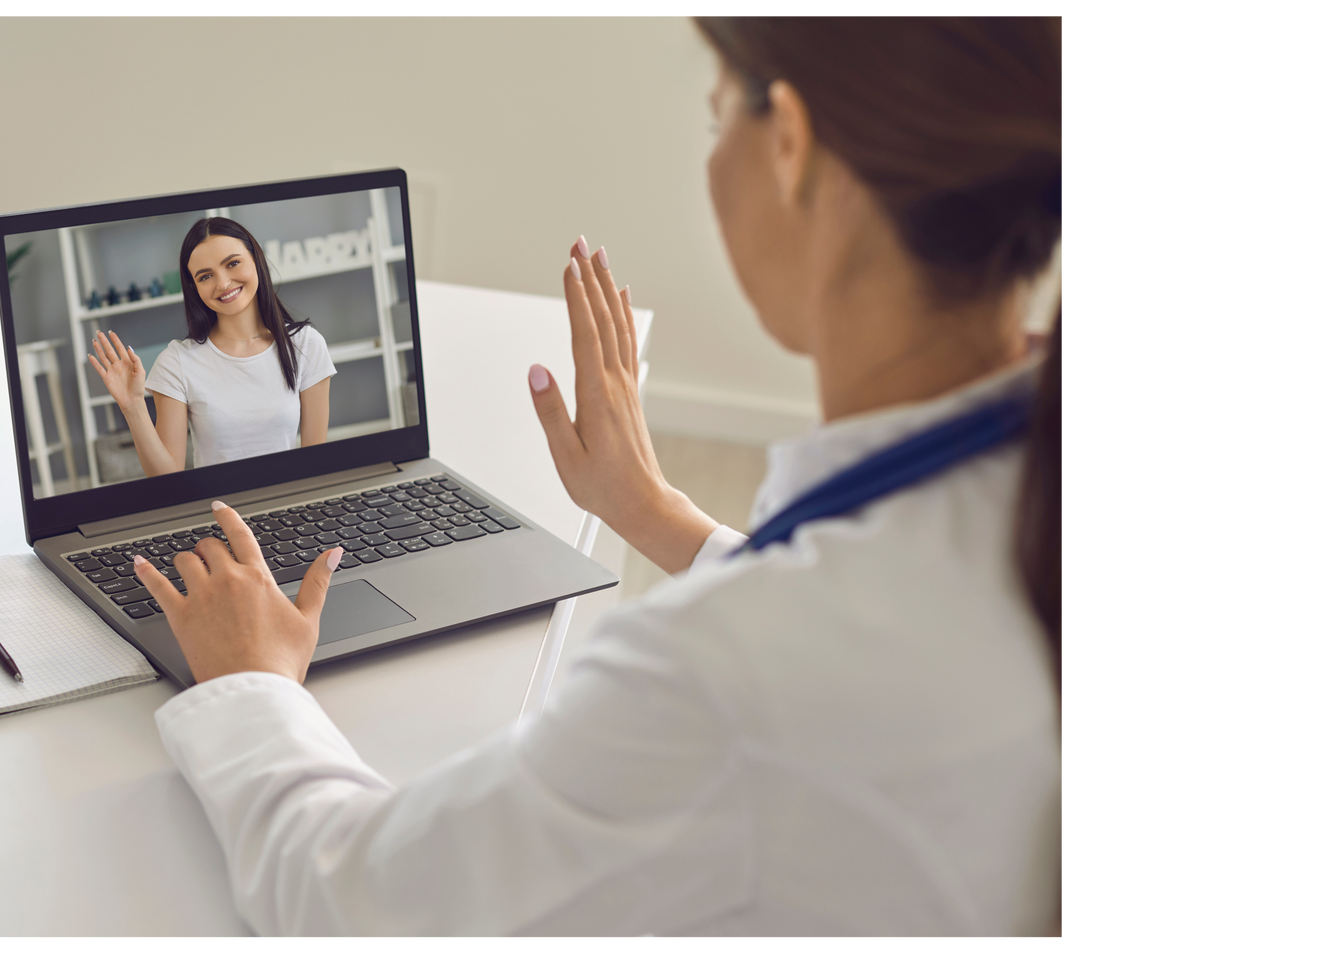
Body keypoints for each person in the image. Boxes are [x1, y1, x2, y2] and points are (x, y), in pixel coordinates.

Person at [127, 13, 1065, 938]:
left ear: (790, 145)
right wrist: (659, 516)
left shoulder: (724, 673)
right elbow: (866, 622)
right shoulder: (1019, 481)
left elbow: (348, 903)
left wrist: (252, 685)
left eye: (714, 123)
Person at [87, 217, 336, 477]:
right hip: (216, 510)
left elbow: (314, 466)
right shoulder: (176, 362)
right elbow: (167, 479)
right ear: (194, 288)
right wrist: (134, 407)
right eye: (206, 276)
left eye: (233, 263)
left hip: (289, 508)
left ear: (256, 260)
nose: (223, 283)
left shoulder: (305, 344)